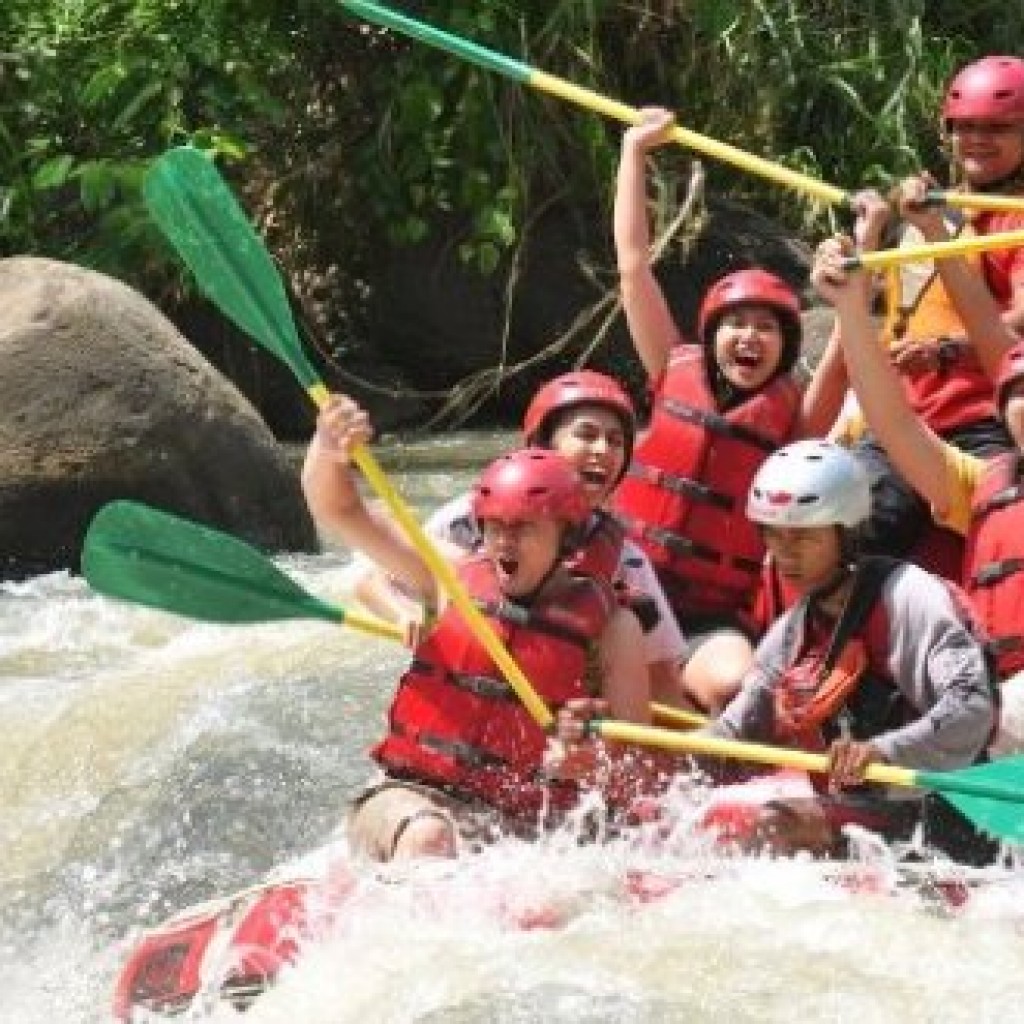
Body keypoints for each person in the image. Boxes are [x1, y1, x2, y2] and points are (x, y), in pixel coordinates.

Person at [560, 440, 998, 863]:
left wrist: (883, 751)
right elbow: (732, 739)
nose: (785, 555)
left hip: (947, 810)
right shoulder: (792, 633)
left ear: (845, 534)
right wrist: (614, 744)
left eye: (803, 537)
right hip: (867, 815)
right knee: (674, 821)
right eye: (774, 536)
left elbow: (973, 708)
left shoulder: (909, 597)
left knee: (775, 828)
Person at [302, 396, 660, 862]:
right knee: (429, 838)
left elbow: (639, 772)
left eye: (525, 528)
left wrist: (587, 762)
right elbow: (338, 510)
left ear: (566, 539)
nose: (504, 543)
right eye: (495, 527)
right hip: (408, 799)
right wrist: (329, 444)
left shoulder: (614, 630)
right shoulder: (448, 579)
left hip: (522, 823)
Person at [608, 107, 848, 712]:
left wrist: (859, 271)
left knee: (731, 685)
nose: (749, 338)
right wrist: (635, 153)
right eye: (736, 325)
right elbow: (634, 268)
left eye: (766, 329)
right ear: (711, 335)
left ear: (785, 347)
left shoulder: (794, 422)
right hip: (619, 586)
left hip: (706, 613)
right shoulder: (671, 367)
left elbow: (848, 358)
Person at [350, 370, 692, 711]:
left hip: (548, 723)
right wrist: (403, 613)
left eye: (616, 441)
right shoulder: (470, 519)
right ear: (540, 446)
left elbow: (660, 679)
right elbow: (371, 579)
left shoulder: (626, 561)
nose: (603, 450)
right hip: (457, 698)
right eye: (586, 435)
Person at [814, 232, 1024, 756]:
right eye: (1020, 396)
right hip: (998, 703)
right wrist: (851, 308)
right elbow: (896, 425)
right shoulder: (982, 483)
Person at [831, 56, 1024, 557]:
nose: (978, 139)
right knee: (848, 538)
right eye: (966, 128)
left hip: (983, 423)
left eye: (997, 128)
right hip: (905, 415)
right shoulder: (929, 209)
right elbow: (886, 310)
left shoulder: (1015, 225)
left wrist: (947, 350)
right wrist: (868, 236)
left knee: (1001, 538)